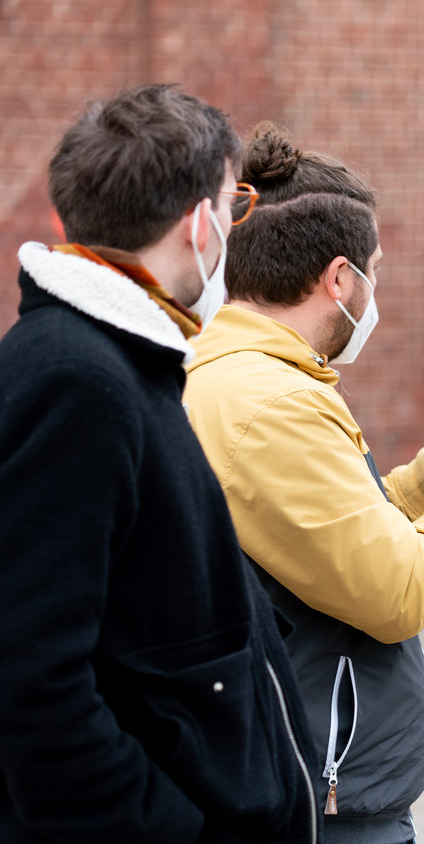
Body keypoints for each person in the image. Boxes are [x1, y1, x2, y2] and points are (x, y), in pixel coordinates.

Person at [183, 123, 424, 844]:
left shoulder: (246, 376)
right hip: (318, 797)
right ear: (340, 279)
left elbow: (308, 545)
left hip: (301, 778)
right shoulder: (272, 401)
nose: (376, 292)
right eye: (376, 270)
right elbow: (396, 593)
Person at [0, 85, 321, 842]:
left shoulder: (114, 359)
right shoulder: (75, 378)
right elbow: (32, 683)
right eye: (231, 205)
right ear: (201, 224)